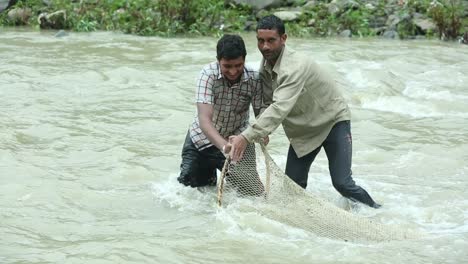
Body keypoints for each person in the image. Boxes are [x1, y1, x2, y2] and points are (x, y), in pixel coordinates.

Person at [228, 15, 381, 208]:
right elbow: (268, 103)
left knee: (342, 183)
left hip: (332, 122)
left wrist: (245, 136)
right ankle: (299, 232)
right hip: (304, 131)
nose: (265, 46)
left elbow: (279, 107)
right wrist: (262, 131)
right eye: (261, 41)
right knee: (292, 187)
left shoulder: (294, 67)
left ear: (284, 39)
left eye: (271, 40)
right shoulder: (266, 65)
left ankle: (375, 212)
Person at [177, 34, 265, 194]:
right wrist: (225, 147)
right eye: (227, 66)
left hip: (239, 141)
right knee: (191, 197)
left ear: (245, 59)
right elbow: (205, 120)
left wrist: (263, 133)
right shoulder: (207, 75)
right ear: (219, 61)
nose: (233, 71)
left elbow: (262, 115)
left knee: (253, 195)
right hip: (201, 142)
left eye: (238, 65)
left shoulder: (255, 78)